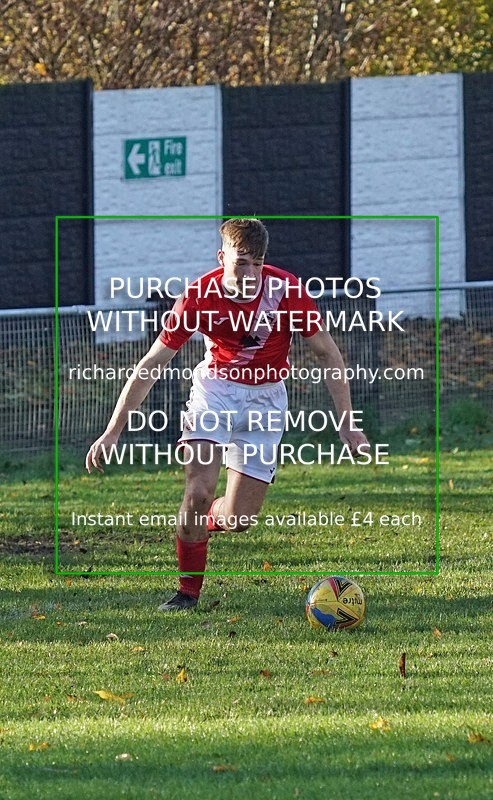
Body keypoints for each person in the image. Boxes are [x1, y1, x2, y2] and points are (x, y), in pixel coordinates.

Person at [86, 218, 368, 611]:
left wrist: (347, 422)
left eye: (258, 263)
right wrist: (113, 430)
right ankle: (187, 593)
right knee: (198, 492)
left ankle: (199, 523)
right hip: (215, 393)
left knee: (239, 520)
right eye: (241, 262)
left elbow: (327, 353)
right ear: (222, 258)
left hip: (266, 401)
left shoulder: (287, 291)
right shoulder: (198, 296)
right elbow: (152, 363)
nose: (250, 274)